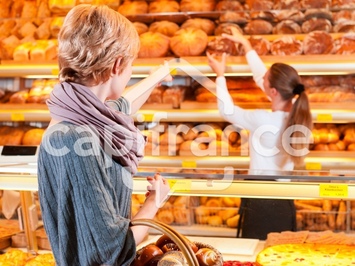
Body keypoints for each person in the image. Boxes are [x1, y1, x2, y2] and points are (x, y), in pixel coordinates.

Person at [37, 4, 172, 265]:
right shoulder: (74, 141)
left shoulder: (79, 112)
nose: (131, 72)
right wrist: (154, 202)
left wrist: (157, 76)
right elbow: (113, 252)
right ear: (117, 65)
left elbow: (123, 105)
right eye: (132, 63)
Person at [207, 28, 313, 240]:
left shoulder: (263, 120)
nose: (260, 78)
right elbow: (262, 78)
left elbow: (226, 111)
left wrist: (220, 75)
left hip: (260, 196)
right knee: (280, 252)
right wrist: (246, 46)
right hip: (284, 198)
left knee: (255, 252)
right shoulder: (298, 112)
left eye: (265, 79)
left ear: (273, 92)